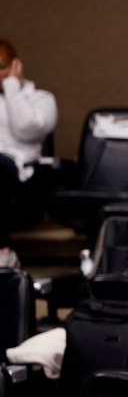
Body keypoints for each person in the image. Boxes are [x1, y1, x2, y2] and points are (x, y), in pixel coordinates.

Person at [0, 37, 57, 267]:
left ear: (16, 65)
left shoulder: (41, 99)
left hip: (24, 175)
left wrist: (12, 87)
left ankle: (3, 251)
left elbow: (26, 128)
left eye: (2, 67)